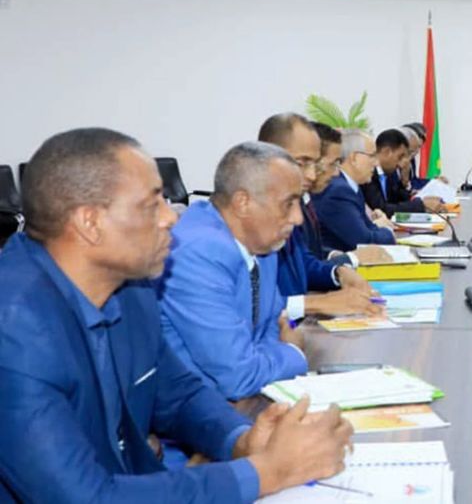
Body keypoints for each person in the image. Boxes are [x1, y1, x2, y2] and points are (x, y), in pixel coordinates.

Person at [0, 128, 352, 502]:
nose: (171, 217)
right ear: (90, 222)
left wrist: (242, 439)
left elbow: (177, 393)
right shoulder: (14, 328)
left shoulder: (130, 287)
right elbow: (86, 498)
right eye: (152, 204)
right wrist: (266, 472)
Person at [157, 142, 311, 400]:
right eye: (288, 204)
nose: (298, 218)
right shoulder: (198, 252)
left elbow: (272, 325)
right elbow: (238, 376)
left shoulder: (263, 243)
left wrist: (263, 356)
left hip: (246, 399)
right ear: (242, 203)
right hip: (197, 414)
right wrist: (293, 352)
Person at [256, 113, 385, 319]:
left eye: (315, 164)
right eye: (303, 162)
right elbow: (252, 306)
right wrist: (317, 304)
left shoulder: (292, 204)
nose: (312, 174)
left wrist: (338, 273)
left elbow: (303, 263)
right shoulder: (255, 217)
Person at [311, 129, 398, 250]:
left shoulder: (351, 185)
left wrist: (379, 227)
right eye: (372, 156)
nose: (376, 163)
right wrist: (387, 230)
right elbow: (365, 241)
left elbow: (368, 228)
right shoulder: (338, 190)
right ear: (354, 158)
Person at [360, 128, 439, 215]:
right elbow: (381, 209)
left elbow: (398, 200)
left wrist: (417, 197)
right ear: (386, 152)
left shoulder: (391, 172)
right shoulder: (367, 174)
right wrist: (421, 205)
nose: (402, 164)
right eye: (400, 157)